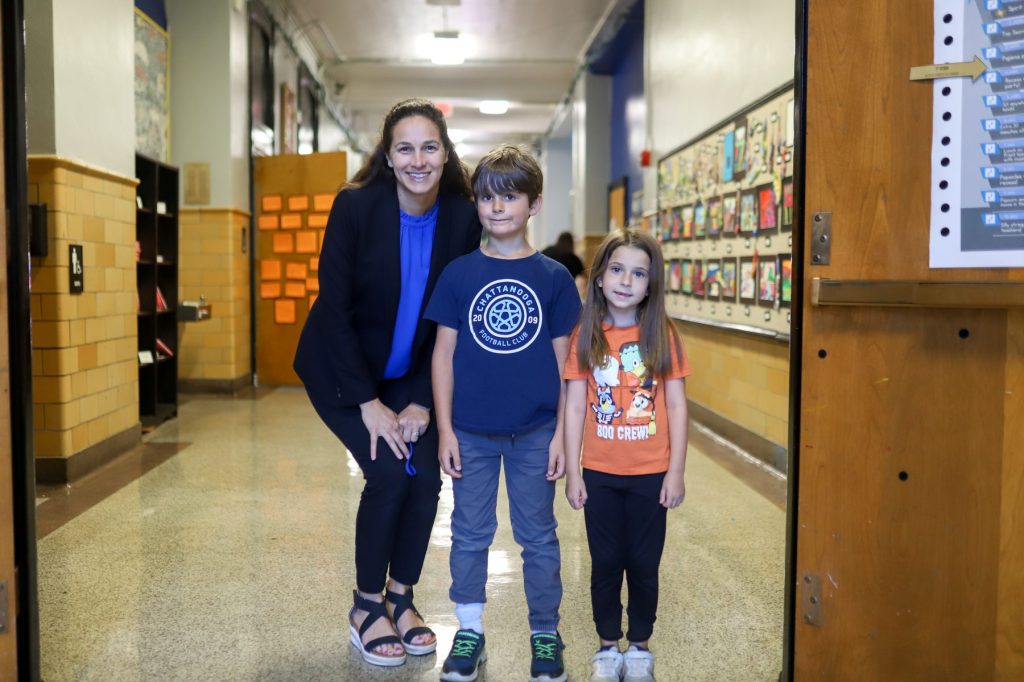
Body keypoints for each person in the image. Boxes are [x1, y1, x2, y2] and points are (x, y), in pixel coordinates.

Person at [292, 98, 482, 668]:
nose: (418, 159)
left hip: (411, 373)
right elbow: (335, 310)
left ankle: (401, 598)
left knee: (423, 477)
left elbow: (451, 317)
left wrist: (422, 398)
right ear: (388, 154)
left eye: (430, 147)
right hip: (343, 372)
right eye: (406, 147)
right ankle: (365, 606)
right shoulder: (356, 207)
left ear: (445, 154)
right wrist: (369, 403)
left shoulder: (462, 215)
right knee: (385, 473)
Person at [425, 144, 581, 682]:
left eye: (509, 197)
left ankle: (545, 632)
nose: (496, 208)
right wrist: (445, 429)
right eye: (487, 197)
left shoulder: (555, 278)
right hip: (470, 430)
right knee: (469, 534)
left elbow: (568, 362)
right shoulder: (458, 274)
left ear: (534, 205)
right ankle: (469, 629)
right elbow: (441, 354)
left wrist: (564, 435)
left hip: (537, 431)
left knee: (537, 535)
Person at [562, 228, 693, 682]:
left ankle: (639, 646)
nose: (625, 280)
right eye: (617, 269)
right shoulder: (586, 335)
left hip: (650, 474)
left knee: (642, 562)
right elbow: (576, 404)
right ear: (599, 278)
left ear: (650, 284)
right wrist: (573, 471)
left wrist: (675, 472)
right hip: (598, 471)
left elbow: (676, 405)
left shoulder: (663, 333)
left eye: (638, 273)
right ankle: (606, 646)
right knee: (605, 562)